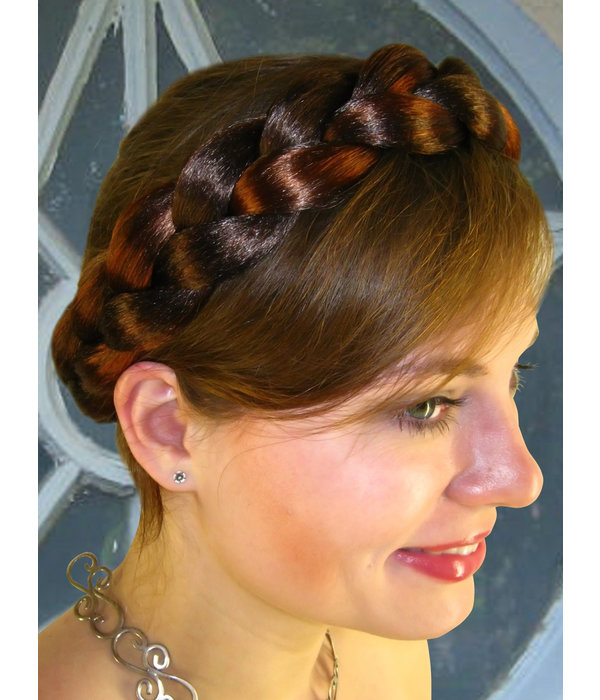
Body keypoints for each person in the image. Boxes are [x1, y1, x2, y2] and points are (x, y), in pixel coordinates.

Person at [38, 43, 553, 699]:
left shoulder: (384, 659)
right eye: (426, 406)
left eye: (513, 374)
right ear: (169, 428)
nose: (519, 479)